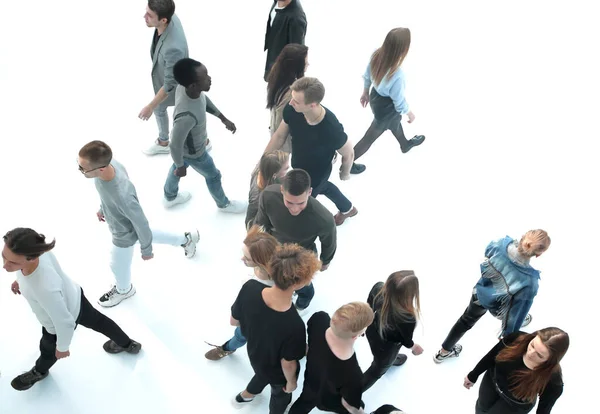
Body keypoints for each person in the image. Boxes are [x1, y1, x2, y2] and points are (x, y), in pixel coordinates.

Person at [3, 228, 142, 391]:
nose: (5, 266)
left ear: (32, 258)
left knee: (48, 351)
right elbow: (35, 273)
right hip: (75, 297)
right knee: (100, 321)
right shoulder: (41, 251)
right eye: (4, 256)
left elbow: (65, 322)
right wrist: (21, 280)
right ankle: (127, 344)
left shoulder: (44, 289)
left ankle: (39, 371)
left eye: (13, 263)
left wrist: (62, 347)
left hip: (56, 325)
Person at [78, 140, 200, 307]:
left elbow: (141, 223)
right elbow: (106, 196)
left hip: (123, 235)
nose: (81, 171)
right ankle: (186, 240)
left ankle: (124, 290)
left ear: (100, 169)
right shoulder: (110, 165)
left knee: (117, 264)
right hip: (121, 225)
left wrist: (146, 249)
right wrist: (103, 208)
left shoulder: (123, 196)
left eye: (83, 169)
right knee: (147, 234)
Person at [434, 230, 551, 363]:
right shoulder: (529, 282)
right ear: (538, 254)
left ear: (523, 237)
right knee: (515, 314)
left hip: (481, 294)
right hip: (501, 307)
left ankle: (443, 352)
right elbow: (516, 312)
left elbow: (487, 252)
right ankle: (519, 320)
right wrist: (508, 335)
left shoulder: (500, 244)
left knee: (465, 320)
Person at [232, 244, 320, 414]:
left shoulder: (249, 287)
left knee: (261, 374)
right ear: (300, 283)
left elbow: (234, 321)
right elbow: (287, 364)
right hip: (276, 371)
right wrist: (292, 383)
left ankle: (245, 395)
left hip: (255, 354)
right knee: (280, 396)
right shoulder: (295, 326)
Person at [264, 77, 357, 226]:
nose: (290, 102)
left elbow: (348, 152)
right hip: (299, 165)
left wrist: (344, 172)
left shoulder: (331, 128)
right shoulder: (292, 110)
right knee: (324, 187)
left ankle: (299, 226)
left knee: (301, 203)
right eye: (292, 97)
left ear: (312, 105)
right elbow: (279, 136)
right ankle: (348, 209)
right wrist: (264, 160)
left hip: (317, 173)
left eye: (296, 101)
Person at [162, 57, 245, 213]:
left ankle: (169, 196)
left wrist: (222, 117)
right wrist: (180, 165)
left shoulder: (187, 89)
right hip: (196, 153)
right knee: (213, 175)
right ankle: (224, 204)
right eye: (205, 77)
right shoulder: (186, 117)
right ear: (193, 85)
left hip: (187, 151)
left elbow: (203, 100)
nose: (210, 79)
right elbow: (174, 144)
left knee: (177, 166)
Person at [255, 169, 336, 311]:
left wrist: (325, 261)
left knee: (303, 286)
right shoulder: (268, 196)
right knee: (279, 280)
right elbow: (261, 224)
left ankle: (303, 301)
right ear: (282, 190)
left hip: (302, 257)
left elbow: (329, 242)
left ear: (310, 192)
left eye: (301, 203)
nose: (295, 209)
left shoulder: (323, 218)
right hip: (276, 251)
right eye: (290, 202)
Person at [350, 27, 425, 175]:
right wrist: (409, 113)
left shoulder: (376, 55)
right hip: (386, 108)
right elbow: (399, 101)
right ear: (403, 50)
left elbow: (367, 75)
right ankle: (348, 163)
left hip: (375, 98)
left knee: (395, 123)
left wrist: (365, 92)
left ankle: (405, 144)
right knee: (370, 137)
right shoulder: (397, 75)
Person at [204, 225, 279, 360]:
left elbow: (234, 321)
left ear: (262, 262)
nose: (242, 259)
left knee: (240, 335)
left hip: (258, 322)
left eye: (247, 258)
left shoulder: (252, 289)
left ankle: (227, 348)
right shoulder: (285, 271)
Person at [289, 302, 374, 414]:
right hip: (328, 400)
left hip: (311, 381)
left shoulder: (320, 319)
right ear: (356, 336)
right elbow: (348, 403)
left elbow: (309, 340)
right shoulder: (353, 373)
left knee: (303, 403)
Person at [464, 328, 569, 414]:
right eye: (532, 345)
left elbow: (544, 410)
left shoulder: (553, 381)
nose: (530, 353)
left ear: (550, 360)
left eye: (539, 355)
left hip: (514, 405)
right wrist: (473, 375)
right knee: (481, 408)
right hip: (492, 381)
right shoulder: (516, 339)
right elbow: (492, 355)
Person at [139, 0, 190, 155]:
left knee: (164, 107)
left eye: (149, 15)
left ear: (163, 20)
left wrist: (150, 106)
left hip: (178, 83)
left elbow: (169, 84)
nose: (144, 17)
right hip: (175, 74)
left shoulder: (172, 48)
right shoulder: (169, 15)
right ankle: (164, 140)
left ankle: (164, 142)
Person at [362, 271, 424, 392]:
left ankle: (390, 360)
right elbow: (405, 339)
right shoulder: (407, 318)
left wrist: (364, 324)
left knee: (381, 360)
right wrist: (414, 347)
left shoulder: (378, 288)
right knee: (376, 372)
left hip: (372, 331)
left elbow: (368, 306)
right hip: (386, 348)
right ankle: (350, 396)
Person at [266, 43, 309, 152]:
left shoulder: (277, 81)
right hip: (285, 145)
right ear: (297, 65)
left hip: (277, 137)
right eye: (305, 60)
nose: (308, 63)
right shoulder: (292, 93)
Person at [246, 150, 290, 229]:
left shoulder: (264, 170)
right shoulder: (258, 195)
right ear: (274, 174)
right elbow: (252, 219)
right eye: (285, 169)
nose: (288, 170)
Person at [264, 0, 307, 81]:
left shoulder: (296, 18)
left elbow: (297, 49)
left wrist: (298, 79)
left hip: (283, 72)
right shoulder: (278, 2)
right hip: (272, 57)